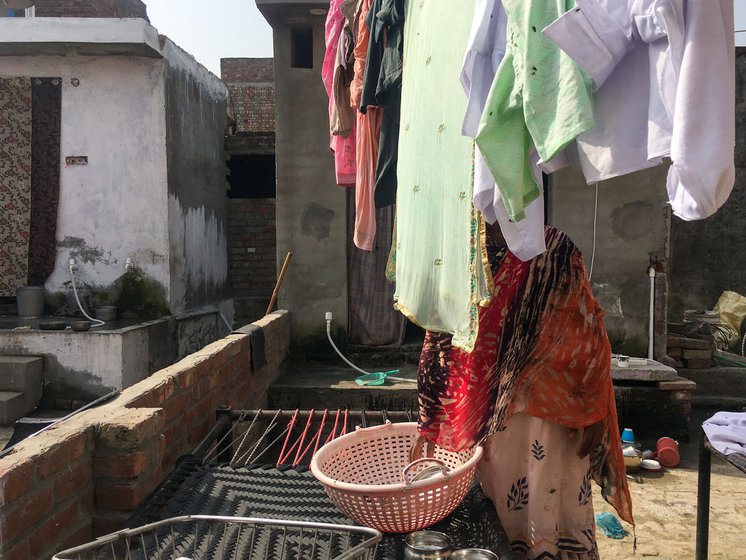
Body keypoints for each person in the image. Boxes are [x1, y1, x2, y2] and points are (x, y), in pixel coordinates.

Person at [416, 224, 633, 559]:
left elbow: (587, 337)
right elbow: (440, 344)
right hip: (500, 422)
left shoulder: (551, 248)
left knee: (517, 521)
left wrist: (591, 411)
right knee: (504, 523)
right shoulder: (464, 251)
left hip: (539, 418)